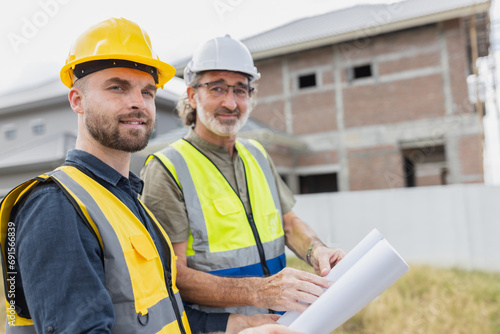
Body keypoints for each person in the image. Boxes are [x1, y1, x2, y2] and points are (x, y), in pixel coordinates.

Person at [0, 18, 296, 334]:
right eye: (117, 87)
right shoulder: (55, 207)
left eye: (148, 91)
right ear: (77, 100)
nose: (138, 103)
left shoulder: (128, 202)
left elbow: (161, 314)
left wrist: (237, 325)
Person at [140, 34, 346, 332]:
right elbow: (173, 275)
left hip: (281, 322)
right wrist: (259, 291)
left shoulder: (257, 154)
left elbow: (288, 224)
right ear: (193, 95)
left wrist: (318, 251)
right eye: (217, 88)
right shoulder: (167, 168)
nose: (231, 102)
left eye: (240, 89)